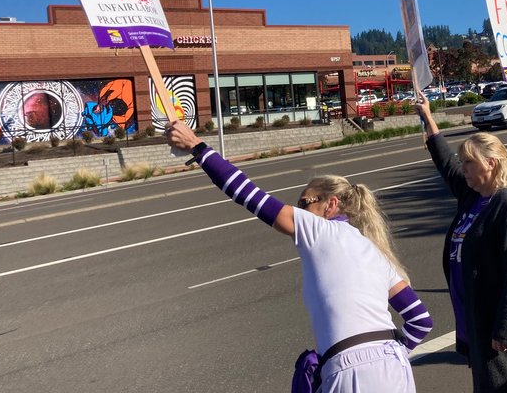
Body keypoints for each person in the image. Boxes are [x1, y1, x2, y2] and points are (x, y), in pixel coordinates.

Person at [165, 121, 433, 392]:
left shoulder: (320, 230)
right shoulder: (373, 250)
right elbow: (421, 320)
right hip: (395, 367)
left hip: (350, 367)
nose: (298, 209)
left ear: (331, 204)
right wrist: (391, 354)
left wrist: (197, 147)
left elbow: (248, 195)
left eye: (304, 202)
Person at [414, 95, 507, 393]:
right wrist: (427, 117)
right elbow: (445, 163)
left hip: (498, 331)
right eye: (464, 163)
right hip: (477, 322)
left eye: (469, 163)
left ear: (491, 163)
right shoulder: (474, 197)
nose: (464, 169)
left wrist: (506, 329)